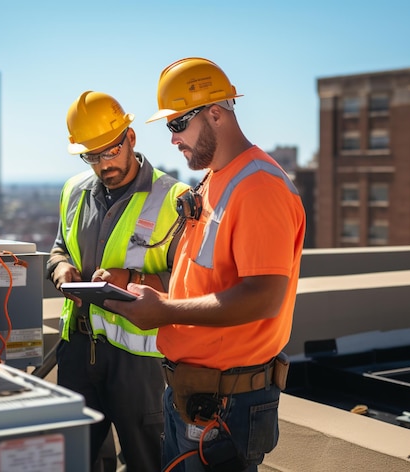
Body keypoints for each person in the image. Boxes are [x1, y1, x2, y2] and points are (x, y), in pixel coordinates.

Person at [107, 57, 306, 471]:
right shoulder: (216, 178)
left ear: (215, 113)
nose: (173, 140)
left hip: (225, 405)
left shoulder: (259, 187)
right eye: (169, 128)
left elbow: (265, 297)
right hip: (193, 397)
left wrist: (164, 312)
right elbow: (206, 281)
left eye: (178, 124)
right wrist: (147, 289)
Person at [46, 90, 190, 472]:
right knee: (76, 458)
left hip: (139, 364)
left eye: (110, 151)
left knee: (148, 461)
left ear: (131, 138)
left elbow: (188, 283)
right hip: (77, 351)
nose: (102, 164)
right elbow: (59, 249)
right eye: (92, 156)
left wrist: (132, 279)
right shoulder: (75, 191)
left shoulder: (174, 198)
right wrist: (61, 270)